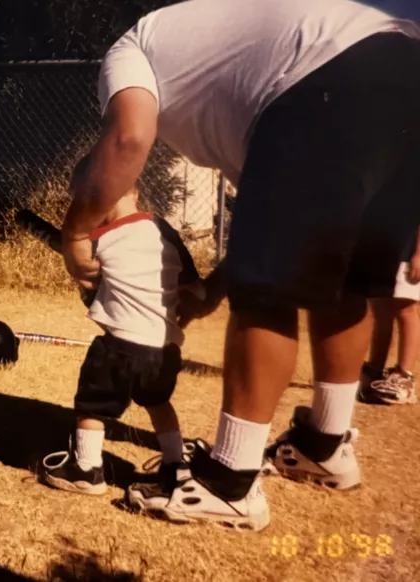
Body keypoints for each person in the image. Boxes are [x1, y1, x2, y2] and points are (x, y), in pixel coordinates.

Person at [60, 0, 420, 532]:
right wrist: (213, 290)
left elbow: (127, 139)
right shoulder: (228, 74)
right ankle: (325, 443)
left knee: (266, 296)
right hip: (404, 70)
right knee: (346, 277)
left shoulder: (129, 49)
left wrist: (74, 231)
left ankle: (228, 481)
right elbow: (275, 230)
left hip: (324, 80)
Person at [42, 154, 203, 497]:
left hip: (120, 347)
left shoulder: (98, 240)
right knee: (159, 403)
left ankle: (86, 468)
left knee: (92, 405)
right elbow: (193, 289)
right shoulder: (165, 232)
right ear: (136, 192)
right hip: (165, 349)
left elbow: (89, 283)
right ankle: (176, 464)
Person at [360, 225, 420, 405]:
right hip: (381, 248)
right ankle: (374, 371)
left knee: (405, 309)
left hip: (408, 251)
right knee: (380, 310)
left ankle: (404, 378)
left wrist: (418, 254)